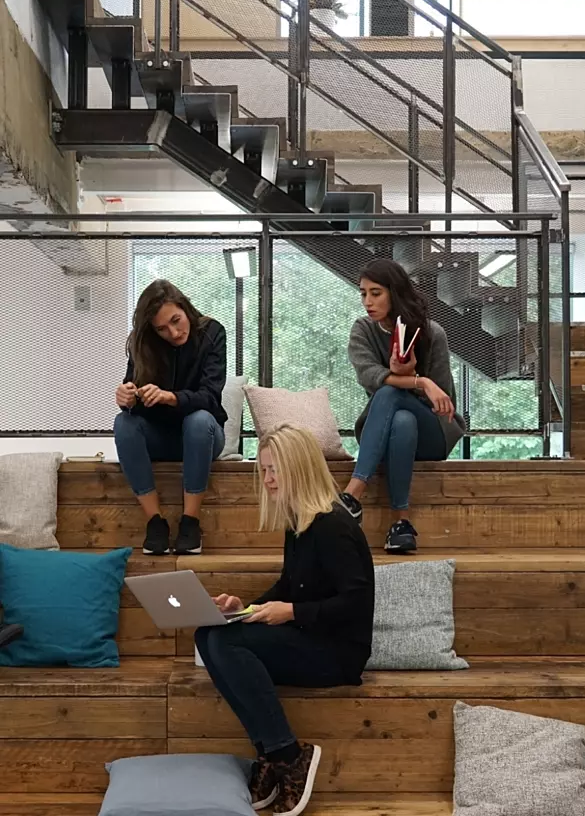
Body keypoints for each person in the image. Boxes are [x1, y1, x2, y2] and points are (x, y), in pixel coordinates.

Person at [195, 424, 374, 816]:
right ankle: (271, 755)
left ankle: (288, 755)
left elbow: (355, 603)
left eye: (275, 470)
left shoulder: (334, 525)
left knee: (226, 642)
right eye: (264, 471)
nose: (268, 479)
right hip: (310, 636)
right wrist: (243, 609)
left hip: (338, 653)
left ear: (300, 468)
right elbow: (289, 584)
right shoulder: (300, 522)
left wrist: (290, 612)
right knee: (209, 632)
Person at [341, 259, 466, 553]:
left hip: (434, 433)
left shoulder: (432, 332)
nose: (367, 302)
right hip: (386, 431)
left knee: (390, 397)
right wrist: (417, 381)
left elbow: (443, 404)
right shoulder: (363, 330)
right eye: (363, 293)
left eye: (376, 293)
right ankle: (401, 524)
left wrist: (414, 379)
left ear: (394, 293)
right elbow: (370, 377)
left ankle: (353, 493)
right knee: (400, 420)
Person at [113, 280, 228, 556]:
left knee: (198, 420)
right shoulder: (143, 344)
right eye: (162, 329)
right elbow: (135, 400)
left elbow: (211, 398)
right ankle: (155, 523)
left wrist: (170, 397)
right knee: (123, 423)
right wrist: (126, 399)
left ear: (185, 308)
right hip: (161, 437)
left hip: (205, 436)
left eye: (176, 321)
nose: (174, 333)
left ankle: (190, 523)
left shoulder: (213, 332)